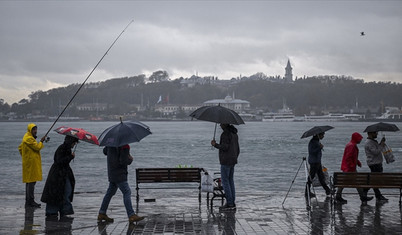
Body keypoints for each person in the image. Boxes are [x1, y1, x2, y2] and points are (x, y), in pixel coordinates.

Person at [98, 145, 144, 223]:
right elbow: (123, 161)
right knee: (127, 192)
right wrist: (130, 159)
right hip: (120, 173)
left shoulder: (110, 143)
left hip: (112, 172)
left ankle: (102, 213)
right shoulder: (124, 145)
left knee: (109, 193)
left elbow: (105, 152)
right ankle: (131, 215)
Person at [41, 135, 78, 218]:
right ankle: (58, 211)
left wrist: (70, 157)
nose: (74, 145)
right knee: (61, 192)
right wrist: (70, 157)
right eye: (74, 143)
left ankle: (59, 210)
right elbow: (59, 161)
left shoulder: (64, 148)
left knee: (62, 192)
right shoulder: (63, 148)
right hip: (58, 175)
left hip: (60, 174)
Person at [335, 132, 373, 204]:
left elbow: (352, 156)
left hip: (348, 168)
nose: (360, 140)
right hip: (349, 168)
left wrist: (357, 162)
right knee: (355, 182)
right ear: (356, 139)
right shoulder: (351, 146)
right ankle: (362, 197)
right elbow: (348, 157)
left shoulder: (351, 145)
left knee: (345, 182)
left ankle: (338, 196)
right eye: (360, 139)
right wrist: (352, 165)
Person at [211, 123, 240, 210]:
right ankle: (232, 202)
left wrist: (215, 144)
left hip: (226, 161)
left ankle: (230, 203)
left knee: (225, 182)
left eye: (221, 124)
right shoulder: (234, 134)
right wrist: (235, 157)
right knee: (231, 181)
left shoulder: (225, 134)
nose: (220, 125)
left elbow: (225, 147)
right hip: (233, 160)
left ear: (225, 124)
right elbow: (238, 149)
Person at [18, 123, 47, 208]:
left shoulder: (26, 137)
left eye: (36, 129)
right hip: (31, 164)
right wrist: (41, 141)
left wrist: (25, 156)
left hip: (29, 163)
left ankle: (28, 201)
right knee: (31, 182)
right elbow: (38, 147)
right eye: (34, 129)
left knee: (29, 182)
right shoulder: (29, 139)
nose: (35, 131)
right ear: (30, 130)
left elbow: (20, 148)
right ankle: (30, 201)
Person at [305, 132, 331, 197]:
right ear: (318, 135)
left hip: (317, 162)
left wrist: (320, 147)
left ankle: (327, 190)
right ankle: (307, 192)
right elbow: (311, 152)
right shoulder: (313, 142)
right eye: (322, 135)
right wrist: (319, 147)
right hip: (314, 162)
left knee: (321, 176)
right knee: (311, 177)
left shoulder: (316, 141)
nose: (323, 136)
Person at [364, 131, 388, 201]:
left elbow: (377, 149)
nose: (377, 134)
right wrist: (381, 145)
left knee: (374, 180)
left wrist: (381, 143)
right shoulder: (369, 142)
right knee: (375, 180)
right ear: (370, 134)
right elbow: (376, 152)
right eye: (375, 133)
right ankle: (372, 193)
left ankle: (376, 194)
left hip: (376, 163)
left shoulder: (373, 141)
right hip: (374, 163)